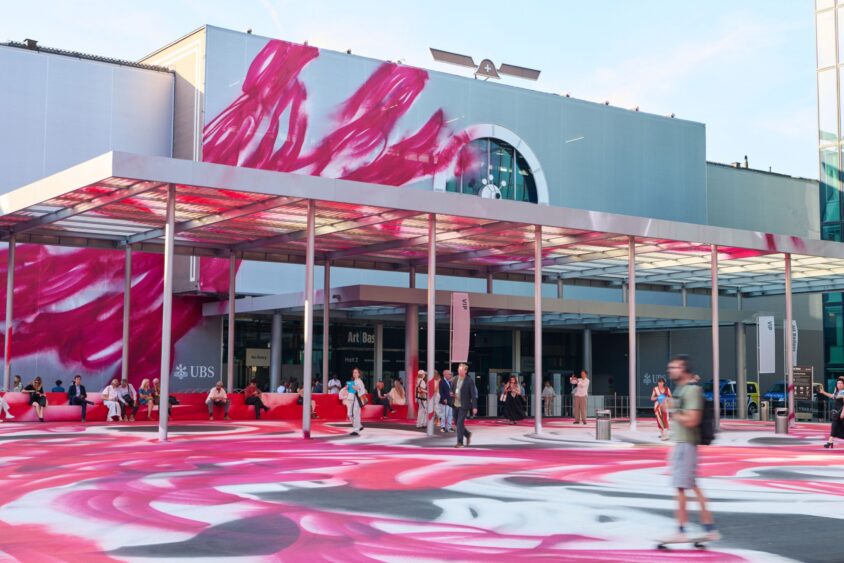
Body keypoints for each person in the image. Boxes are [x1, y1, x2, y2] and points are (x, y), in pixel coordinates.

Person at [660, 355, 719, 544]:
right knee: (690, 486)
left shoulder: (691, 391)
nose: (671, 370)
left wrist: (672, 411)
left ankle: (681, 531)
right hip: (683, 444)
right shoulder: (681, 389)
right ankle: (708, 529)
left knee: (681, 488)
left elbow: (692, 420)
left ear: (684, 369)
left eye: (674, 367)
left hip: (686, 445)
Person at [453, 363, 477, 448]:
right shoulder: (455, 379)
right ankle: (467, 434)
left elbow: (473, 394)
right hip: (455, 404)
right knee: (456, 423)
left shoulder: (469, 381)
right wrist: (451, 394)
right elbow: (451, 389)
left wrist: (474, 407)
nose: (459, 371)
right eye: (458, 370)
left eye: (461, 370)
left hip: (464, 405)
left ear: (465, 371)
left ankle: (460, 442)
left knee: (460, 423)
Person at [818, 377, 844, 448]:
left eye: (841, 383)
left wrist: (843, 413)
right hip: (836, 412)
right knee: (834, 426)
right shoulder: (836, 391)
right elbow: (832, 396)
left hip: (841, 412)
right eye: (838, 383)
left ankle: (830, 442)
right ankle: (830, 442)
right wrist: (823, 392)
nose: (839, 384)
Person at [345, 368, 367, 436]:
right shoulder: (354, 381)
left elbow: (361, 390)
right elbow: (351, 390)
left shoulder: (359, 381)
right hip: (352, 399)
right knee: (350, 414)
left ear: (359, 374)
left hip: (356, 400)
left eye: (356, 372)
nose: (354, 374)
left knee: (354, 415)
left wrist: (355, 388)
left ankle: (356, 430)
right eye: (354, 372)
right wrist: (348, 387)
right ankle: (359, 426)